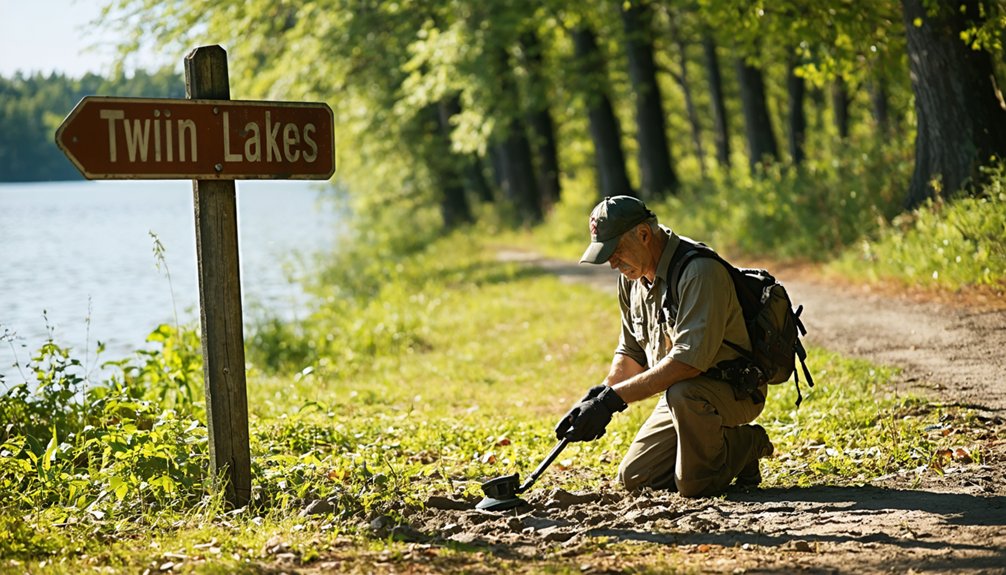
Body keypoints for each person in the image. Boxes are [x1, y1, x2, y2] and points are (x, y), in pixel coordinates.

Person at [554, 195, 773, 497]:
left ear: (644, 235)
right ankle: (716, 450)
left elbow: (688, 362)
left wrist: (613, 401)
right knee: (636, 478)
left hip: (730, 390)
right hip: (680, 396)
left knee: (695, 484)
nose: (612, 263)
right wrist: (599, 396)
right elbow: (631, 353)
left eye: (615, 251)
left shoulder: (699, 272)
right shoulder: (631, 277)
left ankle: (746, 444)